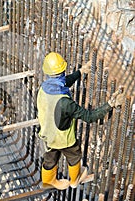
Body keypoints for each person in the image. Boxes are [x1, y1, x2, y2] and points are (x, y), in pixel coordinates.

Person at [37, 52, 124, 190]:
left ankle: (48, 182)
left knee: (50, 158)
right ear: (62, 71)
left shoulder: (44, 88)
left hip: (47, 134)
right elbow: (89, 117)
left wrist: (80, 72)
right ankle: (74, 180)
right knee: (74, 156)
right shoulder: (65, 103)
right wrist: (110, 105)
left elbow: (63, 82)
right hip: (63, 138)